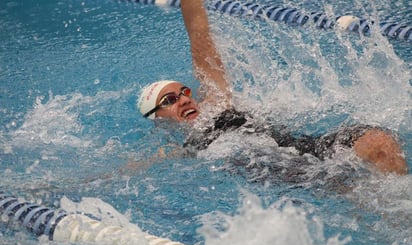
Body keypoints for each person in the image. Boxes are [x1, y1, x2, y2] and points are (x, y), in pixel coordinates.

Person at [136, 0, 408, 176]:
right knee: (348, 188)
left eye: (184, 92)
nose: (184, 100)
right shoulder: (180, 150)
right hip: (287, 175)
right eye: (169, 99)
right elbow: (130, 171)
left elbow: (200, 37)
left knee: (379, 141)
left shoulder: (217, 106)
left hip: (306, 149)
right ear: (157, 119)